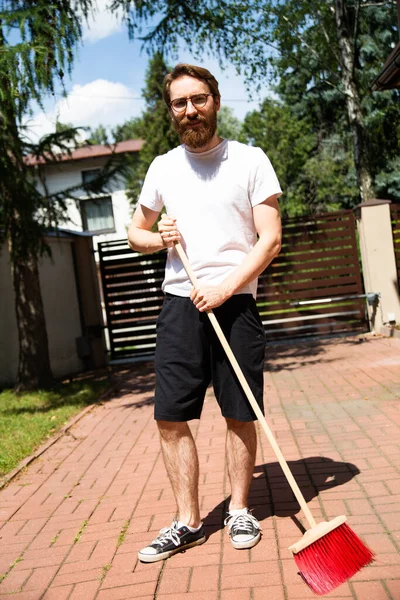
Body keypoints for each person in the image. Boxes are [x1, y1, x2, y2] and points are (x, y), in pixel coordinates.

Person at [127, 63, 282, 563]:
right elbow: (136, 234)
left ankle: (239, 508)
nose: (190, 110)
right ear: (170, 110)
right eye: (179, 103)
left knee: (240, 412)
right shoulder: (162, 168)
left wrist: (224, 288)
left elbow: (271, 239)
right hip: (179, 303)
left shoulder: (250, 160)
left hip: (234, 304)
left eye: (198, 99)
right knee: (170, 416)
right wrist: (159, 238)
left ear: (215, 100)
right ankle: (187, 521)